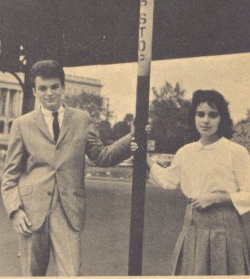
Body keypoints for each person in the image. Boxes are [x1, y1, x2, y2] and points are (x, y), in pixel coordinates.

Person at [1, 59, 134, 276]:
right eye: (42, 88)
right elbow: (9, 176)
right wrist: (15, 211)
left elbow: (101, 156)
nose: (49, 93)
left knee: (71, 273)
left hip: (68, 211)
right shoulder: (22, 125)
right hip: (30, 213)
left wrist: (133, 137)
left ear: (63, 87)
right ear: (34, 91)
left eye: (54, 87)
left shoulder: (81, 120)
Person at [131, 89, 250, 275]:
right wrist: (144, 156)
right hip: (193, 226)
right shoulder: (186, 152)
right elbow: (167, 180)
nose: (205, 121)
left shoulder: (236, 152)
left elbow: (248, 194)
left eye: (213, 115)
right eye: (200, 114)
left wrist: (218, 198)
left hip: (225, 230)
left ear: (222, 118)